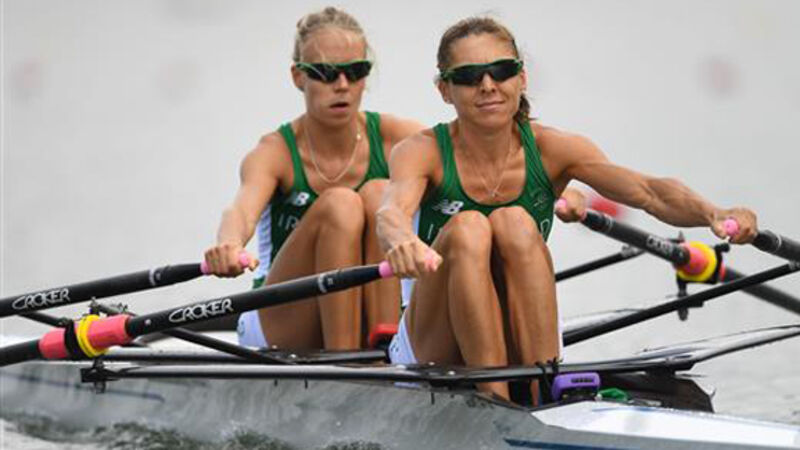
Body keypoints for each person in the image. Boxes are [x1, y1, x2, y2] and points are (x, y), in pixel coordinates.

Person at [376, 16, 757, 402]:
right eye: (469, 76)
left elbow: (650, 193)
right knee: (469, 227)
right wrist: (401, 240)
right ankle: (497, 401)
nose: (488, 85)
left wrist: (712, 213)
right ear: (445, 89)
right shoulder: (422, 151)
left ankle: (545, 388)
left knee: (514, 221)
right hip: (432, 346)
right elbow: (391, 212)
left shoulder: (554, 149)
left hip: (519, 336)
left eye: (501, 71)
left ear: (521, 78)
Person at [203, 7, 424, 351]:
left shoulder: (398, 138)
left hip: (370, 309)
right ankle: (346, 359)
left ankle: (385, 346)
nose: (342, 85)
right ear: (298, 77)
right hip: (280, 318)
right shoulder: (275, 151)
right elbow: (241, 212)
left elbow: (463, 158)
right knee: (341, 204)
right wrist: (228, 245)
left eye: (356, 71)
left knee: (378, 194)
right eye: (326, 73)